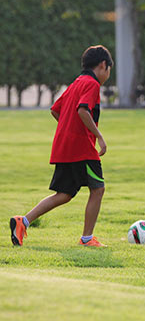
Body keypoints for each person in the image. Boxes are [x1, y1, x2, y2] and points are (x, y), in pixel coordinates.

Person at [9, 45, 113, 248]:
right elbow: (83, 111)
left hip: (65, 148)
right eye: (109, 69)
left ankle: (23, 221)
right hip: (82, 150)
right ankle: (87, 238)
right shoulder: (92, 85)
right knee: (98, 189)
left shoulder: (76, 83)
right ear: (103, 65)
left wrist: (69, 130)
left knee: (64, 194)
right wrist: (98, 136)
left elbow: (56, 110)